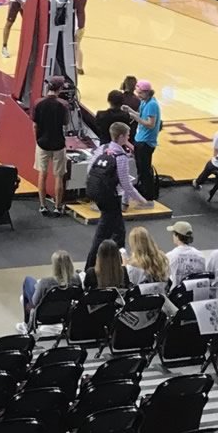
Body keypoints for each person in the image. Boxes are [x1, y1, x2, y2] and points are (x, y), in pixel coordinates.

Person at [84, 120, 137, 271]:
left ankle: (118, 264)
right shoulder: (121, 156)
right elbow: (125, 183)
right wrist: (139, 199)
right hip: (111, 197)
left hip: (100, 193)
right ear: (121, 137)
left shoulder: (102, 148)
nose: (128, 137)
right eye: (127, 135)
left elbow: (90, 169)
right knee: (103, 233)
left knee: (119, 231)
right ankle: (91, 267)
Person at [32, 79, 70, 218]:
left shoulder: (38, 103)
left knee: (42, 174)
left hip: (42, 142)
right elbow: (65, 124)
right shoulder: (63, 105)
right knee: (59, 176)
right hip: (58, 143)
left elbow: (35, 125)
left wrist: (37, 140)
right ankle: (58, 207)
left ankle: (42, 206)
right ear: (59, 89)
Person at [23, 249, 78, 326]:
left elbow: (35, 301)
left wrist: (38, 287)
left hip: (43, 315)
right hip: (65, 314)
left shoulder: (46, 282)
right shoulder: (77, 280)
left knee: (28, 280)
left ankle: (27, 322)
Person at [132, 80, 162, 201]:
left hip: (146, 141)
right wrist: (130, 110)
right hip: (141, 138)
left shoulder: (151, 105)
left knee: (145, 169)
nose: (137, 95)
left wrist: (136, 118)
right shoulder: (145, 102)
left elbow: (150, 124)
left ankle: (148, 194)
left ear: (147, 92)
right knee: (141, 168)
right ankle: (144, 190)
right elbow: (140, 115)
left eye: (140, 93)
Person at [166, 217, 208, 286]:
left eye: (173, 234)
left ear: (177, 236)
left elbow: (164, 276)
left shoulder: (170, 256)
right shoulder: (200, 255)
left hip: (178, 294)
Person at [68, 0, 88, 71]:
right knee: (77, 45)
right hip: (82, 22)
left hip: (76, 24)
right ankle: (79, 66)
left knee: (76, 46)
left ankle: (78, 66)